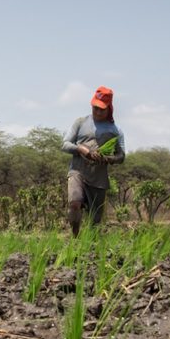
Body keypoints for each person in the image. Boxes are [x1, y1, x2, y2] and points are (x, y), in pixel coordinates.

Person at [61, 86, 126, 236]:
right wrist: (82, 150)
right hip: (78, 171)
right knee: (74, 203)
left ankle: (90, 246)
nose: (97, 112)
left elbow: (121, 156)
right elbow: (65, 144)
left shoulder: (115, 130)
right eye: (95, 108)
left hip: (99, 178)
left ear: (109, 108)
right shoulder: (80, 122)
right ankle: (74, 238)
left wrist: (108, 159)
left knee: (95, 219)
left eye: (101, 109)